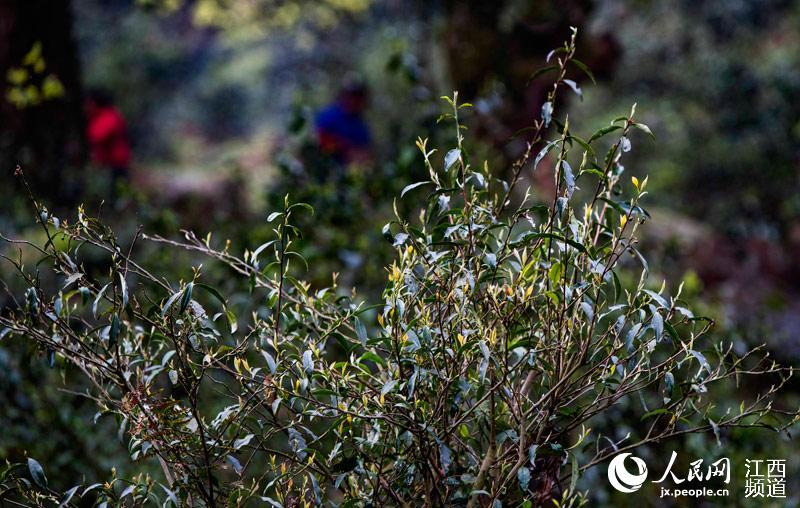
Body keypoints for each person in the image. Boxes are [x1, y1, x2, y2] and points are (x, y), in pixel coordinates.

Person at [314, 81, 372, 166]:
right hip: (326, 166)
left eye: (358, 97)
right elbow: (319, 139)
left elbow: (365, 150)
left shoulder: (361, 125)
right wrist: (344, 148)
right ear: (343, 96)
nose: (354, 100)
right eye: (351, 96)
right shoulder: (329, 115)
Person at [84, 88, 131, 191]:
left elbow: (97, 136)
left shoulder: (108, 116)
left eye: (89, 103)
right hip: (111, 164)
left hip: (115, 164)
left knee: (114, 193)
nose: (86, 107)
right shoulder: (106, 115)